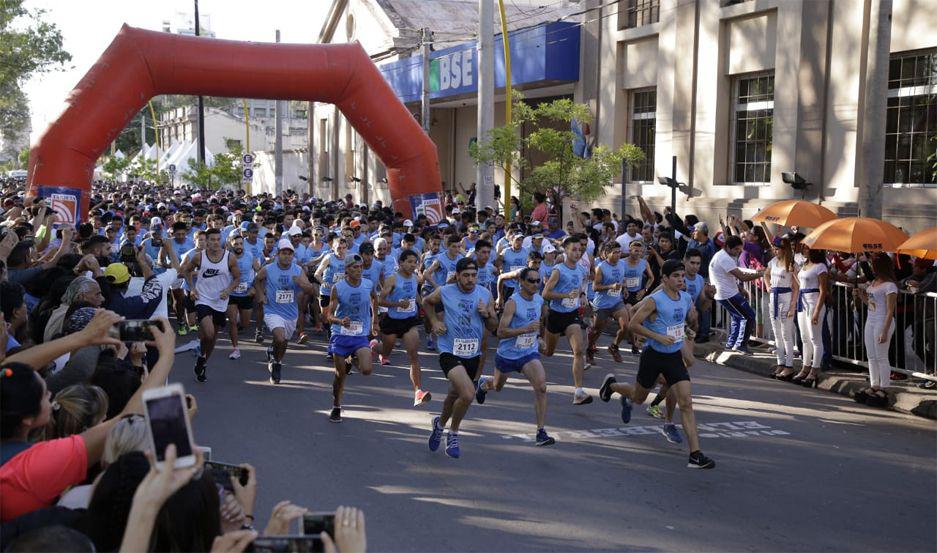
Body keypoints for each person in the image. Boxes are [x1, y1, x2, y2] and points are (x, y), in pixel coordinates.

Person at [598, 259, 715, 469]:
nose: (681, 280)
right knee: (638, 396)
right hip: (653, 355)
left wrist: (689, 327)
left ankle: (695, 454)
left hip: (673, 357)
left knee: (686, 403)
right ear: (665, 279)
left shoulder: (686, 298)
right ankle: (612, 386)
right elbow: (633, 324)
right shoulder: (655, 300)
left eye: (682, 276)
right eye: (676, 277)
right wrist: (657, 337)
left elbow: (685, 322)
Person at [422, 258, 498, 458]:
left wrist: (487, 314)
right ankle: (453, 433)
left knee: (453, 397)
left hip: (472, 354)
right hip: (449, 351)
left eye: (474, 275)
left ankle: (439, 424)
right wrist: (434, 322)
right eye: (466, 275)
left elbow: (493, 326)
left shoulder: (485, 294)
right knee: (468, 394)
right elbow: (426, 302)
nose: (470, 279)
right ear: (457, 276)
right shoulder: (445, 291)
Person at [475, 267, 555, 447]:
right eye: (531, 281)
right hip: (508, 354)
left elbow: (540, 323)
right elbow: (501, 332)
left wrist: (540, 338)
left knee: (541, 387)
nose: (536, 284)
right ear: (521, 282)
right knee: (497, 386)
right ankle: (484, 385)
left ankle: (540, 432)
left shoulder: (539, 299)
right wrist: (524, 330)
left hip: (528, 353)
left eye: (537, 281)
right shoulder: (513, 303)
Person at [254, 239, 319, 385]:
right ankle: (277, 364)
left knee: (283, 343)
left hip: (290, 313)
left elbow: (311, 290)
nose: (287, 256)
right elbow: (256, 280)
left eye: (290, 254)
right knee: (280, 337)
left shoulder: (297, 270)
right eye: (284, 253)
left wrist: (301, 283)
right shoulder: (269, 268)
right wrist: (261, 294)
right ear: (277, 254)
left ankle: (274, 355)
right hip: (272, 310)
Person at [179, 228, 240, 383]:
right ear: (206, 241)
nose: (215, 242)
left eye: (217, 239)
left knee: (213, 338)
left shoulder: (229, 258)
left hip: (220, 300)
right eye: (211, 239)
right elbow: (186, 271)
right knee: (209, 332)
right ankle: (202, 354)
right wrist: (192, 288)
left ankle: (203, 361)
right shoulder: (199, 257)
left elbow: (237, 278)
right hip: (203, 298)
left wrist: (228, 290)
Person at [323, 254, 378, 423]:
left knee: (367, 370)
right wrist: (340, 321)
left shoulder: (368, 284)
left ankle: (351, 359)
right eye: (355, 267)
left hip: (360, 335)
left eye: (361, 267)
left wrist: (374, 321)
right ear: (346, 269)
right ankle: (336, 406)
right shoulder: (337, 288)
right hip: (341, 334)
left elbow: (375, 299)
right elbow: (328, 316)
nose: (359, 270)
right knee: (340, 376)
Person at [377, 249, 430, 406]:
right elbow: (380, 301)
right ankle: (374, 347)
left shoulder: (414, 278)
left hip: (409, 322)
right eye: (409, 262)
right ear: (401, 263)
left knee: (413, 356)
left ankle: (418, 391)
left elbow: (415, 296)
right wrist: (398, 304)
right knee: (385, 351)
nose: (413, 265)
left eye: (415, 262)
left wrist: (425, 308)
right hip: (392, 321)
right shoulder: (392, 280)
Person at [542, 236, 591, 405]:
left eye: (580, 250)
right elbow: (545, 294)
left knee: (578, 351)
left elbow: (579, 287)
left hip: (572, 315)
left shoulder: (581, 270)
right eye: (574, 250)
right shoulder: (558, 270)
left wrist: (582, 295)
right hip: (556, 315)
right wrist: (564, 295)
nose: (578, 253)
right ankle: (531, 345)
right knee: (548, 352)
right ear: (566, 251)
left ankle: (578, 391)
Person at [853, 254, 899, 406]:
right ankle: (875, 384)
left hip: (882, 321)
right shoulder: (873, 282)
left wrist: (885, 331)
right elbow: (872, 305)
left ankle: (884, 387)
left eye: (874, 264)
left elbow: (890, 310)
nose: (871, 266)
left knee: (881, 356)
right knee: (871, 356)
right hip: (871, 320)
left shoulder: (890, 286)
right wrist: (861, 296)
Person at [709, 235, 764, 353]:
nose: (739, 252)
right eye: (736, 249)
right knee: (748, 316)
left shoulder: (724, 255)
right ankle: (740, 345)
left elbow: (726, 276)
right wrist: (761, 274)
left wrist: (740, 288)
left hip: (728, 293)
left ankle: (731, 344)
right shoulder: (724, 258)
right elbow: (742, 276)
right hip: (727, 294)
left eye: (740, 249)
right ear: (728, 247)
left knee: (737, 317)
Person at [793, 246, 829, 386]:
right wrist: (795, 273)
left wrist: (817, 311)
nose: (803, 249)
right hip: (803, 303)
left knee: (815, 338)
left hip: (814, 303)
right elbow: (802, 284)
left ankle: (814, 370)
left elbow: (823, 290)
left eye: (806, 248)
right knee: (804, 338)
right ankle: (805, 367)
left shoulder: (821, 267)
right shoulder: (805, 265)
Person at [764, 237, 800, 379]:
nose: (775, 251)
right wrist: (768, 286)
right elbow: (766, 274)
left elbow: (796, 287)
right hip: (774, 297)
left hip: (786, 297)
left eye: (777, 248)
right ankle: (780, 362)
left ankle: (789, 365)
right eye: (774, 248)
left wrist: (793, 306)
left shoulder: (791, 264)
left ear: (784, 250)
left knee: (786, 333)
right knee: (777, 333)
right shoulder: (773, 262)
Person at [588, 242, 628, 363]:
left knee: (625, 326)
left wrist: (624, 288)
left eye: (619, 252)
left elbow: (622, 279)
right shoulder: (600, 267)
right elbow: (595, 287)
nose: (617, 255)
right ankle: (589, 349)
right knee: (596, 331)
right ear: (607, 253)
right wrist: (611, 286)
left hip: (617, 302)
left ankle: (614, 347)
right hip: (602, 304)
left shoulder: (622, 263)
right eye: (615, 252)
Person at [225, 233, 261, 360]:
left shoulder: (250, 256)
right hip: (231, 294)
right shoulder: (226, 257)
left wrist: (254, 288)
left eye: (241, 243)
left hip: (246, 294)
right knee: (233, 322)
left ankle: (239, 325)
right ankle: (235, 348)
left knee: (245, 324)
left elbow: (259, 272)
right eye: (236, 244)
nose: (239, 246)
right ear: (230, 244)